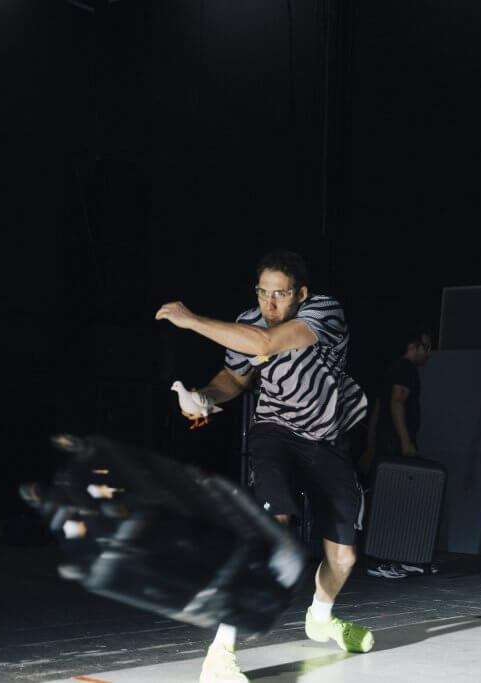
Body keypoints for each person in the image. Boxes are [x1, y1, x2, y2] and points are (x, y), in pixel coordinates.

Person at [155, 249, 373, 683]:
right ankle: (220, 653)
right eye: (262, 293)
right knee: (272, 531)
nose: (269, 305)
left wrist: (192, 320)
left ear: (301, 295)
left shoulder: (324, 312)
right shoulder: (248, 321)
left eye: (280, 295)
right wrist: (203, 398)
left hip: (328, 441)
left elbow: (267, 345)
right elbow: (234, 379)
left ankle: (321, 617)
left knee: (344, 557)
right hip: (276, 434)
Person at [359, 325, 433, 579]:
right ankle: (380, 560)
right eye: (427, 346)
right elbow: (396, 402)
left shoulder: (393, 369)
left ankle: (401, 557)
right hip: (394, 445)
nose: (429, 353)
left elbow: (377, 410)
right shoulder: (405, 369)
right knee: (394, 502)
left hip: (385, 444)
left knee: (396, 501)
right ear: (414, 346)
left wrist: (370, 448)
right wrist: (405, 441)